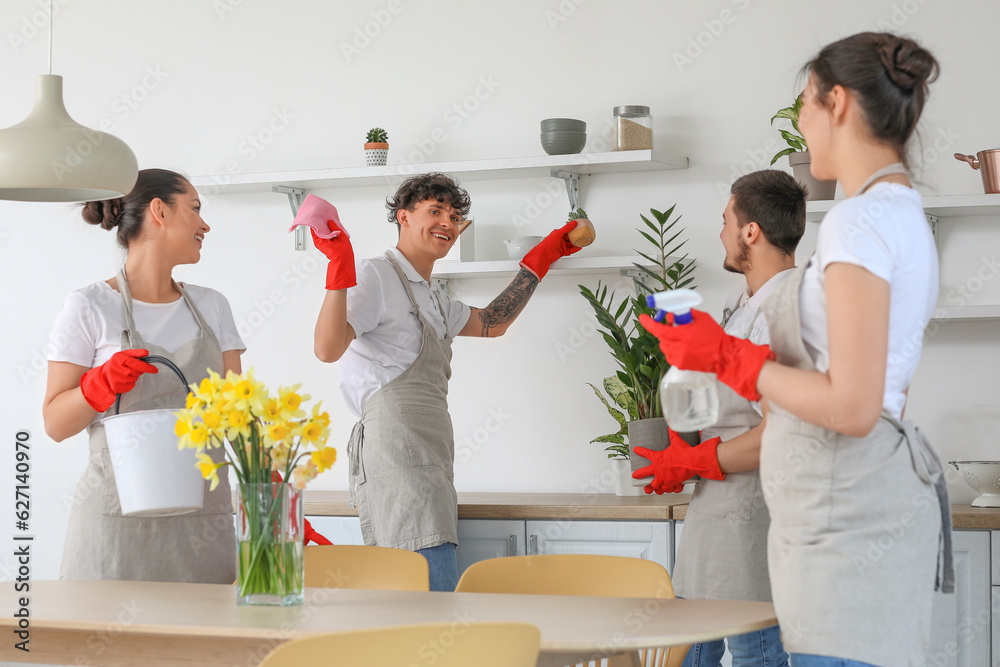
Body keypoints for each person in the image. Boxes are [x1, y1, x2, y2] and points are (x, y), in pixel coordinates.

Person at [639, 33, 953, 667]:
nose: (803, 125)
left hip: (843, 521)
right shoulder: (895, 211)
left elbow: (854, 403)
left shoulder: (858, 223)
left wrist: (727, 355)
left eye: (805, 106)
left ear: (835, 102)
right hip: (852, 512)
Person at [311, 172, 581, 591]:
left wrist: (539, 262)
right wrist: (339, 272)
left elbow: (493, 323)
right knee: (425, 600)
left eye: (455, 216)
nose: (447, 223)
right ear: (402, 217)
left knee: (425, 600)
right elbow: (328, 348)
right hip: (397, 462)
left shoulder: (432, 295)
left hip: (432, 462)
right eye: (435, 211)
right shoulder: (375, 275)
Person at [635, 170, 805, 667]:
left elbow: (785, 433)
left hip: (753, 529)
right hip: (715, 523)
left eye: (726, 219)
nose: (721, 232)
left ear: (750, 231)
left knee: (756, 655)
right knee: (688, 653)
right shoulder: (743, 304)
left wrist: (696, 461)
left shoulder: (786, 310)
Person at [43, 169, 244, 583]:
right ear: (159, 211)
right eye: (195, 208)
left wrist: (272, 502)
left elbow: (236, 420)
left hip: (203, 528)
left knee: (209, 644)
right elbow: (55, 424)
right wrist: (97, 386)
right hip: (117, 529)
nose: (205, 224)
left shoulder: (213, 307)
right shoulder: (89, 306)